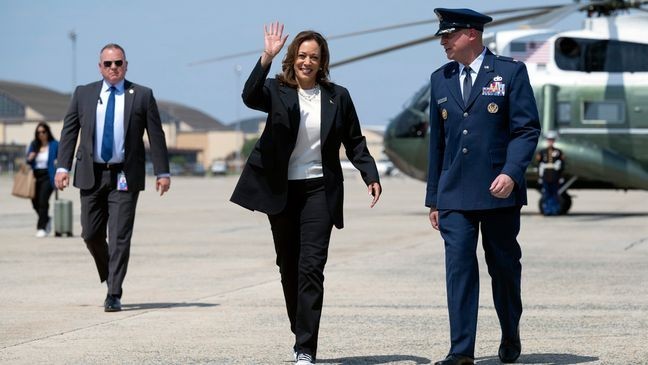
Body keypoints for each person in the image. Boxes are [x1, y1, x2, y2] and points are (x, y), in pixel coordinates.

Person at [230, 23, 382, 365]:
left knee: (312, 267)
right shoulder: (276, 90)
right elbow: (248, 95)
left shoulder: (337, 96)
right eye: (302, 55)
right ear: (293, 58)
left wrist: (369, 174)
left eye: (313, 57)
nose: (307, 62)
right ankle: (301, 330)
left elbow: (355, 141)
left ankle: (305, 347)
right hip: (282, 191)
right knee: (289, 266)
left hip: (319, 190)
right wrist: (266, 56)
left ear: (322, 62)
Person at [425, 9, 541, 365]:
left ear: (471, 34)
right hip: (454, 193)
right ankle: (461, 351)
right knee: (458, 269)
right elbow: (438, 144)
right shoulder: (440, 79)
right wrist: (434, 198)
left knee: (503, 267)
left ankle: (510, 332)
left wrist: (512, 172)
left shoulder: (510, 72)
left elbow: (526, 130)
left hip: (498, 191)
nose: (443, 41)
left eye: (449, 35)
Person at [55, 43, 171, 312]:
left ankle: (114, 292)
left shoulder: (141, 95)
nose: (114, 68)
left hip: (124, 175)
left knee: (119, 236)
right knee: (90, 233)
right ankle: (111, 272)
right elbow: (69, 131)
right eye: (108, 64)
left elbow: (156, 135)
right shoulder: (84, 94)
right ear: (100, 67)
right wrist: (62, 167)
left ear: (126, 65)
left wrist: (162, 172)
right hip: (91, 174)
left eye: (118, 63)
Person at [26, 122, 59, 238]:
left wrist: (58, 163)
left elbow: (62, 157)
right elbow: (28, 161)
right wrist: (30, 158)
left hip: (48, 176)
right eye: (38, 132)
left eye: (43, 132)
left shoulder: (54, 144)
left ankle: (41, 228)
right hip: (35, 176)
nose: (41, 134)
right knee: (34, 201)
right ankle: (46, 218)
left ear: (47, 132)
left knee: (43, 201)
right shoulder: (34, 144)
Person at [536, 131, 564, 216]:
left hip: (555, 176)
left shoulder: (558, 152)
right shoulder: (542, 152)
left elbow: (562, 165)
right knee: (546, 194)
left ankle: (555, 210)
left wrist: (560, 176)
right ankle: (547, 210)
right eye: (549, 140)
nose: (550, 141)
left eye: (552, 140)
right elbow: (539, 164)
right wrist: (540, 176)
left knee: (555, 194)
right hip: (546, 175)